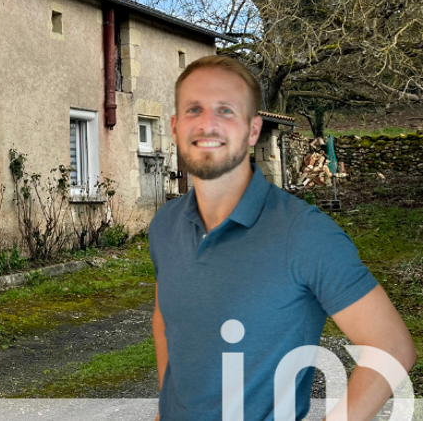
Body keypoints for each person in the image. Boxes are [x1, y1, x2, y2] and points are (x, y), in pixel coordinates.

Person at [149, 55, 417, 421]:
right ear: (175, 126)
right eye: (194, 109)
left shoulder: (305, 232)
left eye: (226, 110)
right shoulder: (165, 225)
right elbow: (165, 321)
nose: (208, 123)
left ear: (253, 130)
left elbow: (392, 347)